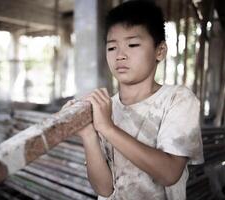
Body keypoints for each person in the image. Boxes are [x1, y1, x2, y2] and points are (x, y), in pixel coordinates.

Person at [63, 1, 204, 199]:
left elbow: (170, 173)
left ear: (160, 51)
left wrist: (108, 128)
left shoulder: (177, 100)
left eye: (133, 44)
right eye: (112, 48)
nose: (120, 55)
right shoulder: (106, 108)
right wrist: (88, 136)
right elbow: (104, 189)